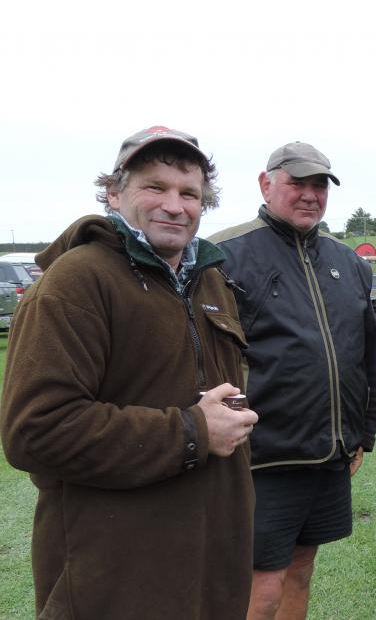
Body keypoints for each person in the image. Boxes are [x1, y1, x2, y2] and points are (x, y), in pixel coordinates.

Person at [0, 126, 258, 619]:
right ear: (114, 193)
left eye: (190, 193)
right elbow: (36, 432)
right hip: (114, 577)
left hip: (210, 567)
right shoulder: (74, 283)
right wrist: (194, 430)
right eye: (154, 187)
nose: (175, 205)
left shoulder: (211, 280)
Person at [209, 142, 376, 620]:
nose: (310, 195)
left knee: (302, 570)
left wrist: (364, 432)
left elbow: (365, 354)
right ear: (266, 185)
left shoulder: (349, 263)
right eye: (297, 183)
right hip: (263, 458)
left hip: (328, 454)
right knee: (260, 588)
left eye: (319, 185)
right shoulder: (224, 255)